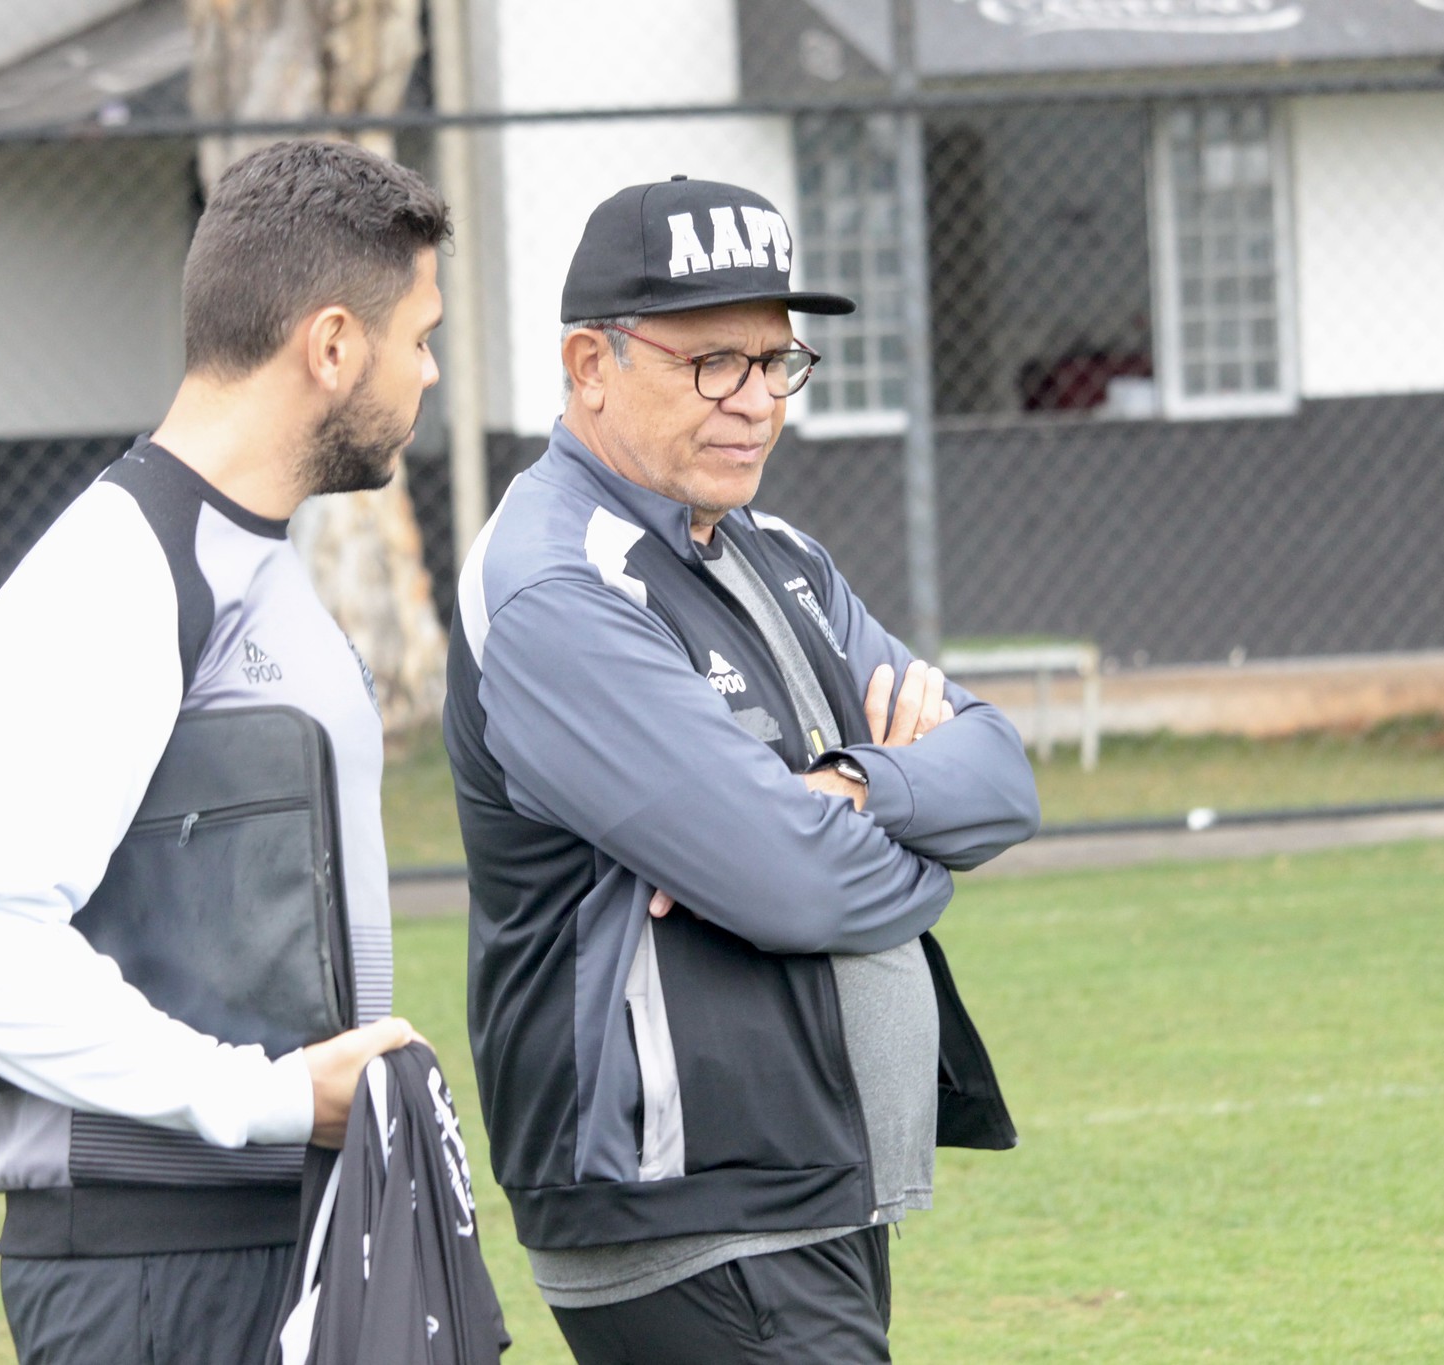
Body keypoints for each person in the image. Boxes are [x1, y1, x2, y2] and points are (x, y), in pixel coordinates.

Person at [444, 175, 1041, 1363]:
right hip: (686, 1205)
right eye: (712, 361)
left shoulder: (777, 555)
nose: (756, 401)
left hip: (798, 1185)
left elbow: (1003, 774)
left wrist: (858, 792)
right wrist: (904, 855)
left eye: (776, 362)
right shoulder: (557, 586)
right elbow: (793, 885)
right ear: (588, 364)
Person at [0, 139, 447, 1364]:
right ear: (330, 347)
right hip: (156, 1268)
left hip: (280, 1229)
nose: (428, 375)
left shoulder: (261, 555)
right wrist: (267, 1098)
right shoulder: (116, 574)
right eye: (418, 337)